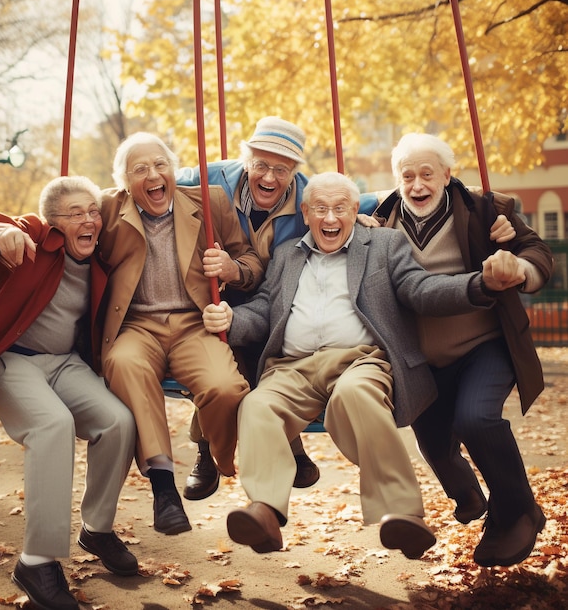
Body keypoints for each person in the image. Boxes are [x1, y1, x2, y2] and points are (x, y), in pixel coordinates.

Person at [201, 171, 523, 558]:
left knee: (356, 396)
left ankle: (403, 513)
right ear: (305, 213)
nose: (330, 218)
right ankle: (266, 512)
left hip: (359, 361)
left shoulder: (384, 245)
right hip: (291, 366)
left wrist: (479, 285)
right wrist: (232, 321)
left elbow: (421, 289)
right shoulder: (286, 256)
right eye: (320, 208)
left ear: (356, 211)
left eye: (340, 208)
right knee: (257, 406)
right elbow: (265, 309)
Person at [0, 176, 139, 610]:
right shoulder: (30, 237)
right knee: (53, 425)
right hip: (9, 357)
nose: (89, 220)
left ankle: (98, 529)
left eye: (93, 211)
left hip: (63, 362)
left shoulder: (101, 256)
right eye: (75, 214)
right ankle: (36, 561)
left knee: (118, 421)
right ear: (53, 223)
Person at [373, 132, 555, 567]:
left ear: (447, 175)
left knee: (475, 418)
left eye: (427, 174)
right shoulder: (379, 218)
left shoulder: (486, 209)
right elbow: (332, 214)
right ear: (397, 179)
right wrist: (359, 236)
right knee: (436, 447)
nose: (417, 185)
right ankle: (471, 496)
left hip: (483, 345)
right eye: (407, 175)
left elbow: (539, 252)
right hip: (421, 360)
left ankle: (516, 513)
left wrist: (517, 265)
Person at [177, 116, 380, 499]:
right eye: (262, 165)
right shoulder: (211, 179)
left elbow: (375, 198)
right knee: (219, 363)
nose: (269, 177)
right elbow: (151, 179)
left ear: (295, 173)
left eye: (281, 169)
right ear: (247, 161)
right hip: (215, 302)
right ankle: (215, 452)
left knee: (268, 352)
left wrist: (372, 216)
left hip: (274, 305)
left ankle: (275, 445)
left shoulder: (309, 195)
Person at [97, 132, 265, 536]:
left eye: (160, 165)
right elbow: (52, 219)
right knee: (122, 363)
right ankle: (163, 487)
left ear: (173, 170)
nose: (153, 175)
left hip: (194, 322)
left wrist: (229, 268)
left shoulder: (209, 203)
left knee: (226, 388)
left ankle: (218, 457)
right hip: (136, 325)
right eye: (140, 170)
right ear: (124, 181)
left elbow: (252, 262)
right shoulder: (106, 209)